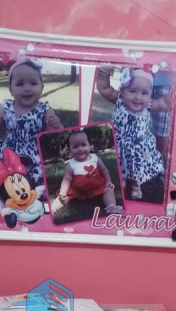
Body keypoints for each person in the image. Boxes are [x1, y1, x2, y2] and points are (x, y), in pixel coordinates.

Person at [94, 65, 166, 201]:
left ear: (150, 94)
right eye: (132, 91)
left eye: (144, 93)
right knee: (121, 163)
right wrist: (102, 77)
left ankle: (136, 187)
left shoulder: (148, 105)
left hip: (139, 147)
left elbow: (163, 104)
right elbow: (104, 89)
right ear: (123, 90)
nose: (138, 97)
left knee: (137, 167)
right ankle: (122, 180)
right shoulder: (119, 99)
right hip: (120, 143)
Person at [0, 59, 62, 182]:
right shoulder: (6, 106)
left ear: (41, 88)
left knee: (30, 174)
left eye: (33, 83)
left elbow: (56, 132)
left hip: (32, 151)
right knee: (0, 168)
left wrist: (55, 126)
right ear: (11, 90)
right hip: (8, 149)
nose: (27, 88)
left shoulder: (44, 109)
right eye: (20, 84)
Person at [51, 129, 122, 216]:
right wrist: (63, 191)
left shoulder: (95, 158)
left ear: (89, 146)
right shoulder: (71, 164)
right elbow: (66, 179)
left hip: (96, 187)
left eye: (83, 145)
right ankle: (53, 208)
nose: (80, 149)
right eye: (75, 147)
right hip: (77, 190)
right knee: (63, 197)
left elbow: (104, 170)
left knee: (108, 189)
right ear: (70, 151)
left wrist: (108, 180)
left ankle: (111, 206)